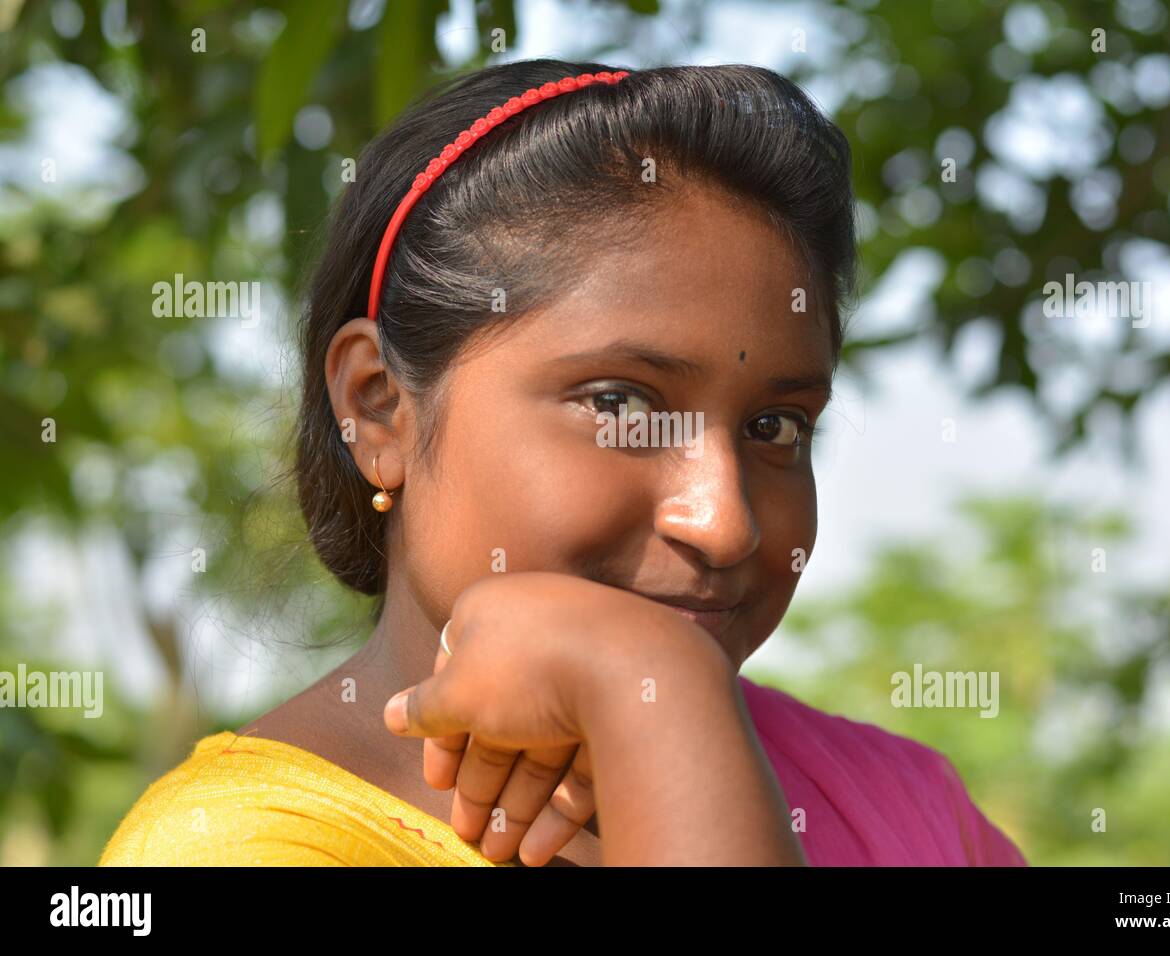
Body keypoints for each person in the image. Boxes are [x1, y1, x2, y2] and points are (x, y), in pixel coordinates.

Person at [100, 58, 1027, 867]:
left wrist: (659, 702)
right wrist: (647, 689)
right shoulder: (244, 846)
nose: (726, 520)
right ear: (377, 408)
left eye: (777, 426)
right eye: (621, 404)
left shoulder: (901, 805)